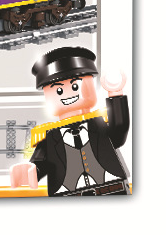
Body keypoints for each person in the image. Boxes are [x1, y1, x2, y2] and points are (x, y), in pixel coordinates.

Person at [10, 46, 130, 195]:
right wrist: (32, 171)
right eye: (59, 90)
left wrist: (116, 94)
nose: (67, 94)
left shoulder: (100, 125)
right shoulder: (49, 137)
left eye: (75, 86)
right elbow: (41, 163)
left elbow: (119, 132)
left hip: (112, 190)